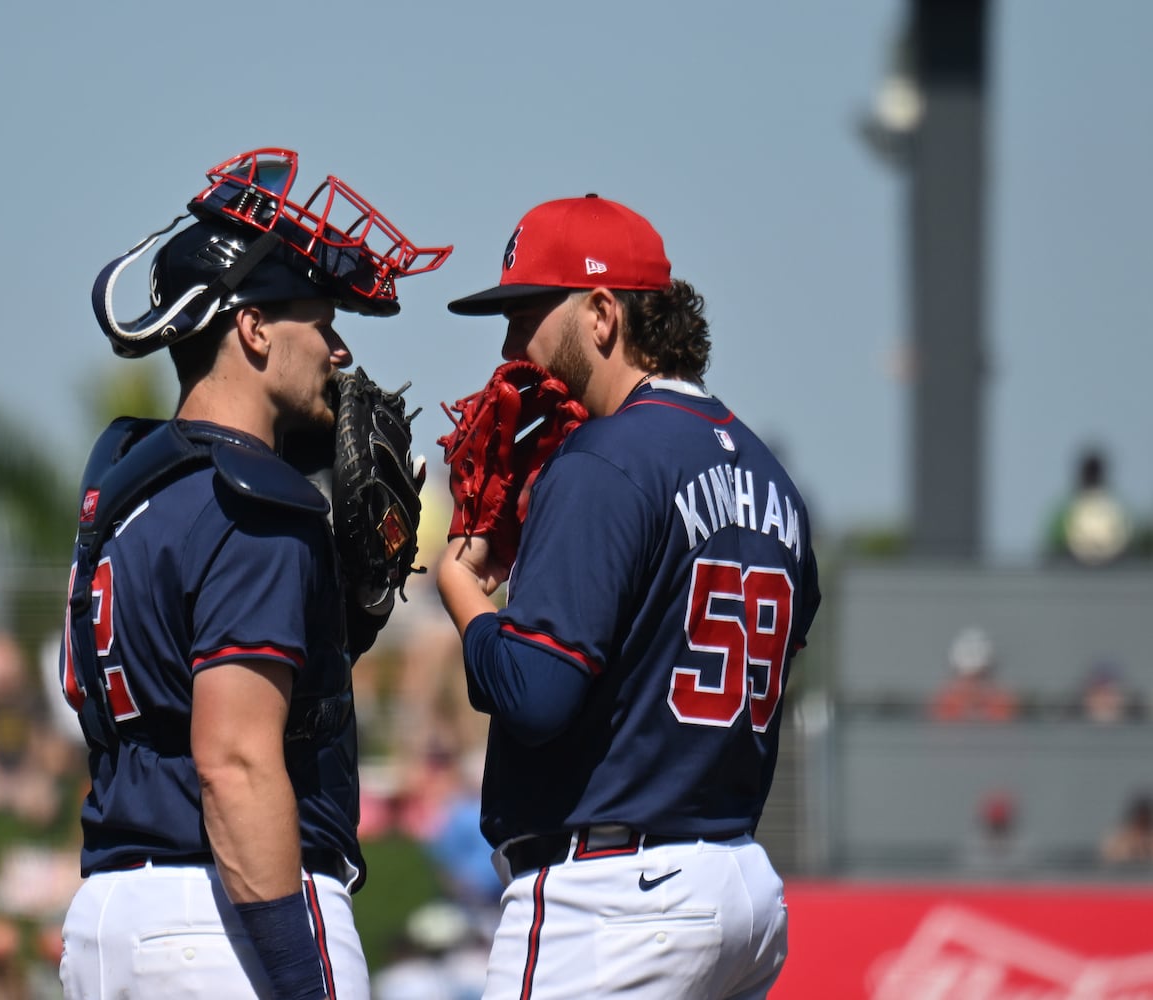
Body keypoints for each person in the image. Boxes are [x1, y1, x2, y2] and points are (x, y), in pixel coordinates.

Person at [55, 148, 449, 999]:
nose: (339, 349)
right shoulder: (258, 500)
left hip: (109, 914)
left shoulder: (125, 479)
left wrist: (337, 627)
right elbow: (233, 759)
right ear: (254, 327)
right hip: (224, 916)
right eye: (320, 318)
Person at [435, 194, 822, 998]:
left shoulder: (602, 462)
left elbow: (535, 699)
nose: (511, 344)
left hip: (611, 900)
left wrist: (463, 591)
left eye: (527, 313)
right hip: (736, 885)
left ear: (602, 313)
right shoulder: (768, 475)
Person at [928, 626, 1018, 723]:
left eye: (980, 678)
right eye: (968, 679)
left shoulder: (1004, 705)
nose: (973, 687)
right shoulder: (943, 705)